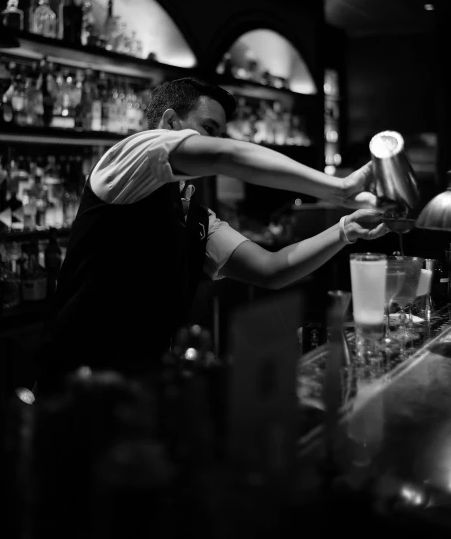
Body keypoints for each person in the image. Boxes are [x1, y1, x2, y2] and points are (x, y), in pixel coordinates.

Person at [36, 77, 391, 393]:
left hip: (140, 388)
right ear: (170, 123)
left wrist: (345, 230)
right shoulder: (129, 156)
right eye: (208, 128)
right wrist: (340, 189)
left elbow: (271, 269)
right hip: (74, 383)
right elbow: (227, 156)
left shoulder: (196, 217)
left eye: (219, 133)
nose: (215, 141)